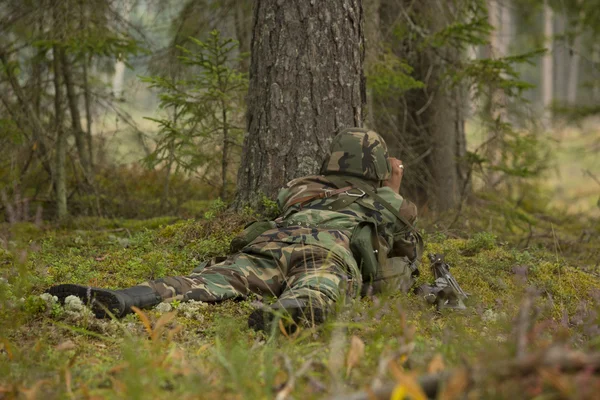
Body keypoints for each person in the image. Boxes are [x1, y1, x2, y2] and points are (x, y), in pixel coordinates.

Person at [48, 128, 422, 331]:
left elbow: (289, 194)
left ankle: (129, 297)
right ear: (376, 166)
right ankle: (289, 311)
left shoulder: (302, 189)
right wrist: (392, 183)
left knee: (210, 279)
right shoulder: (386, 200)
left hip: (271, 243)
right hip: (327, 250)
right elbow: (404, 237)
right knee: (317, 285)